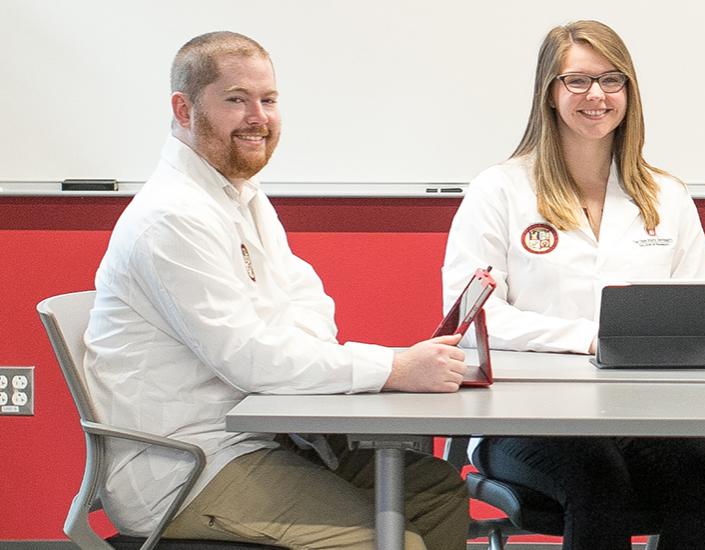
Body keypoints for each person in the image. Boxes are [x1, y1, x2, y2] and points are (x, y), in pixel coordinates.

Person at [83, 31, 470, 549]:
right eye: (236, 100)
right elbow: (248, 359)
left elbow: (306, 304)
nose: (258, 117)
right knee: (393, 539)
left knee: (435, 491)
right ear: (183, 108)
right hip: (191, 466)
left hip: (260, 440)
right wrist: (394, 368)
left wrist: (284, 347)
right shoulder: (171, 218)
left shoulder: (239, 195)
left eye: (268, 100)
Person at [440, 20, 705, 550]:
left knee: (704, 473)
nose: (596, 95)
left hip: (644, 413)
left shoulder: (666, 196)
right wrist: (590, 338)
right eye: (576, 81)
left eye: (612, 80)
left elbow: (697, 314)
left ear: (629, 92)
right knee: (598, 479)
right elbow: (475, 319)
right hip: (523, 415)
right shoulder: (500, 190)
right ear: (549, 93)